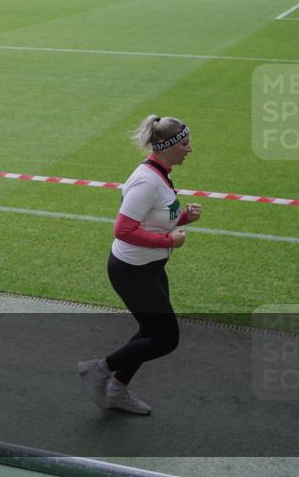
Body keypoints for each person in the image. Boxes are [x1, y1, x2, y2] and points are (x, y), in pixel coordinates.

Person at [78, 115, 201, 415]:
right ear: (166, 146)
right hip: (132, 272)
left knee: (150, 330)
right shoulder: (147, 181)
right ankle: (98, 369)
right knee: (166, 339)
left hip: (150, 269)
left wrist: (184, 217)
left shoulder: (161, 174)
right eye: (185, 144)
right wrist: (169, 241)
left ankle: (117, 390)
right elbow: (123, 229)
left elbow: (155, 217)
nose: (190, 149)